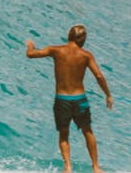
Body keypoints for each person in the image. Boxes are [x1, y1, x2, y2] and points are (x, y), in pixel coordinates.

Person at [27, 25, 113, 173]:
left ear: (69, 36)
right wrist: (108, 94)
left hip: (62, 99)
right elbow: (99, 76)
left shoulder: (56, 50)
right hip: (80, 99)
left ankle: (68, 167)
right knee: (88, 131)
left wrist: (30, 46)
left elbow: (31, 54)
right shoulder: (86, 55)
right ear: (83, 39)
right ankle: (96, 167)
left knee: (64, 133)